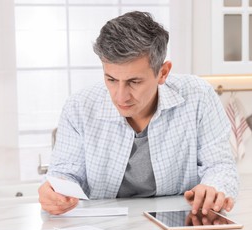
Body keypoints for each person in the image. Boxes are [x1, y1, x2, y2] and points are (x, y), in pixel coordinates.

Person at [38, 11, 238, 215]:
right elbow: (64, 173)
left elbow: (219, 165)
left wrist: (214, 188)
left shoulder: (198, 95)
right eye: (111, 80)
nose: (120, 96)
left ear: (163, 72)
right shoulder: (79, 107)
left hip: (179, 222)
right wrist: (54, 191)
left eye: (134, 82)